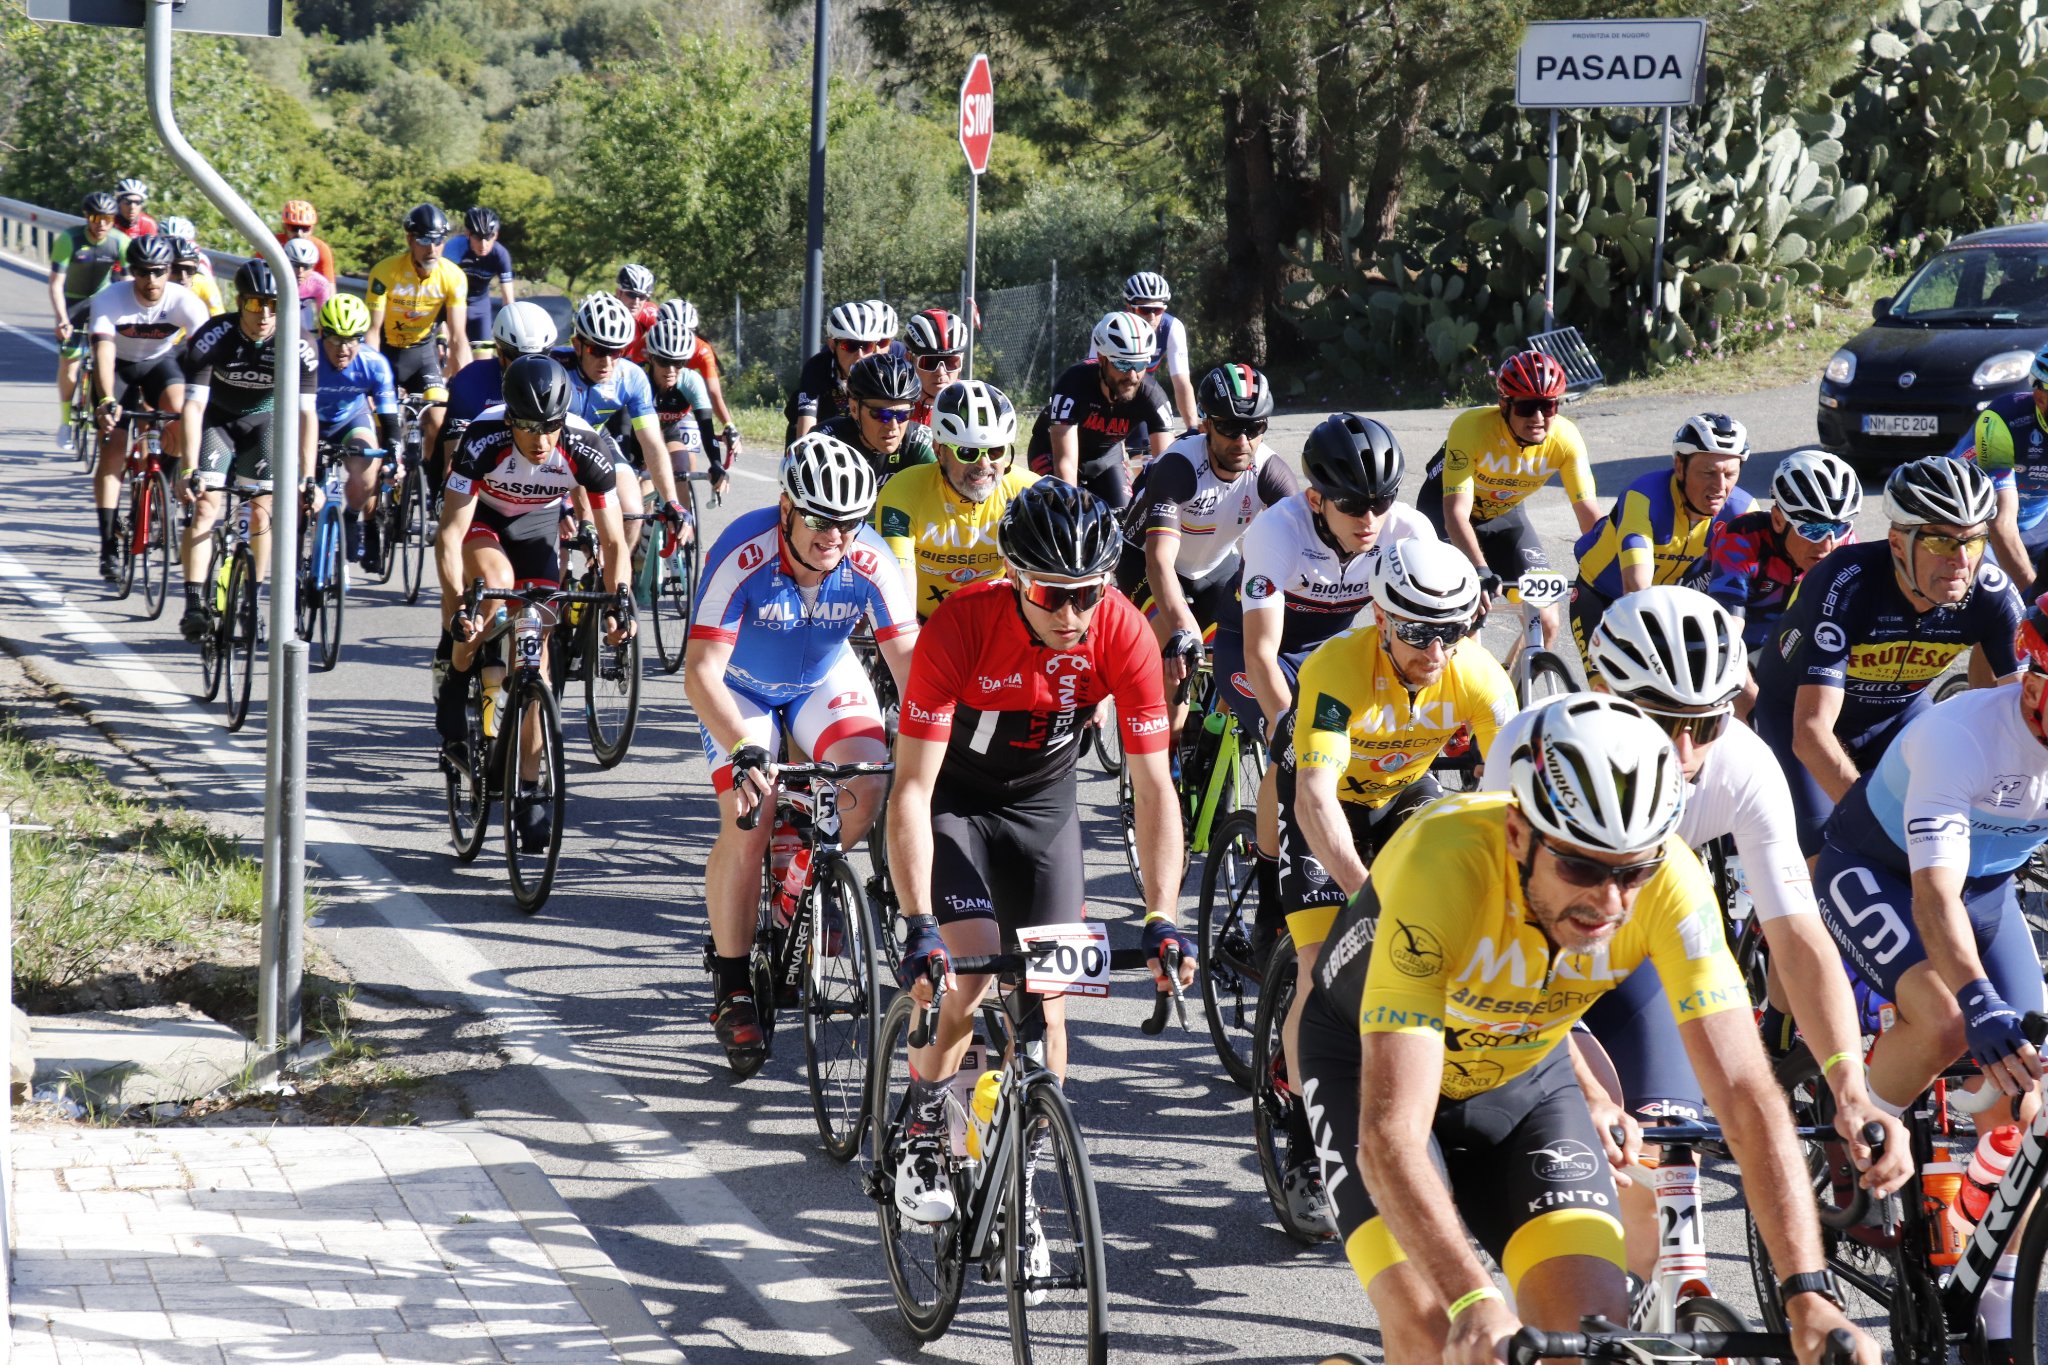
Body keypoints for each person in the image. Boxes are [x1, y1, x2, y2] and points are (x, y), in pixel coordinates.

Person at [1297, 694, 1876, 1365]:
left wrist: (1808, 1293)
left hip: (1524, 1080)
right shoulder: (1444, 861)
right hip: (1367, 1071)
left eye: (1633, 871)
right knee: (1433, 1329)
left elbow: (1748, 1095)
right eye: (1581, 866)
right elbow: (1391, 1135)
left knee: (1588, 1335)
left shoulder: (1673, 886)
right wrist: (1473, 1300)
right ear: (1518, 833)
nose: (1609, 902)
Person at [1484, 587, 1910, 1281]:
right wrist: (1584, 1086)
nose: (1684, 751)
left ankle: (1659, 1314)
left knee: (1663, 1170)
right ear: (1600, 692)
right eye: (1660, 721)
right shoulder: (1532, 749)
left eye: (1705, 724)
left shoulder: (1741, 765)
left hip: (1640, 959)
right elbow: (1498, 946)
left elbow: (1799, 935)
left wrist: (1850, 1081)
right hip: (1529, 969)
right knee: (1575, 1170)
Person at [887, 479, 1193, 1225]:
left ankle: (1015, 1169)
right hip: (956, 802)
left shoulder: (1119, 630)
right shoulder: (960, 626)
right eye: (1052, 595)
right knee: (972, 977)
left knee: (1048, 1009)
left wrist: (1162, 914)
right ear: (1016, 579)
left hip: (1043, 811)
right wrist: (919, 920)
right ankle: (923, 1123)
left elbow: (1154, 787)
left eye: (1086, 593)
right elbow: (909, 789)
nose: (1072, 614)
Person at [1274, 539, 1508, 1235]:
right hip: (1331, 805)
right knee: (1323, 974)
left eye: (1452, 630)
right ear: (1380, 618)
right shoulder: (1337, 666)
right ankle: (1305, 1142)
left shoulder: (1479, 673)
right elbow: (1314, 796)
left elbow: (1512, 792)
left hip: (1405, 792)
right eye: (1415, 631)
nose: (1435, 650)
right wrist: (1365, 893)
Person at [684, 433, 918, 1071]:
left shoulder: (868, 559)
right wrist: (740, 748)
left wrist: (935, 743)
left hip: (821, 680)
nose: (832, 537)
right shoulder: (745, 550)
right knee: (750, 815)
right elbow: (700, 669)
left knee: (866, 782)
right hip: (741, 688)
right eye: (818, 520)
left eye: (846, 523)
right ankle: (732, 981)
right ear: (786, 507)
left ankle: (805, 879)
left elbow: (912, 667)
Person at [1816, 595, 2048, 1142]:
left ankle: (1987, 1220)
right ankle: (1863, 1142)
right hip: (1878, 870)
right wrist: (1977, 1000)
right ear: (2035, 687)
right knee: (1948, 1023)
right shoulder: (1963, 736)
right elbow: (1934, 898)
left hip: (1984, 892)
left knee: (2024, 1089)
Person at [1218, 414, 1436, 944]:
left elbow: (1438, 625)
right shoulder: (1278, 529)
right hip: (1256, 646)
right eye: (1353, 505)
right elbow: (1261, 652)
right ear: (1316, 499)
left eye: (1381, 502)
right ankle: (1270, 897)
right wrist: (1283, 725)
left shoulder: (1407, 531)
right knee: (1287, 755)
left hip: (1331, 650)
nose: (1370, 518)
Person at [1753, 456, 2022, 856]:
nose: (1961, 561)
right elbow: (1811, 733)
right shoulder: (1845, 580)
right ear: (1897, 542)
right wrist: (1873, 824)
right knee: (1829, 857)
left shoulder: (1990, 593)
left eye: (1973, 541)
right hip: (1799, 717)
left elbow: (2023, 713)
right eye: (1940, 541)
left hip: (1898, 715)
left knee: (1940, 845)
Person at [436, 356, 634, 848]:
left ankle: (529, 786)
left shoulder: (587, 446)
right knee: (494, 591)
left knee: (537, 656)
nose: (541, 439)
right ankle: (457, 675)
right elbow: (449, 534)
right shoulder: (483, 439)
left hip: (537, 530)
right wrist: (457, 607)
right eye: (528, 427)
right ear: (510, 420)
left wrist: (619, 602)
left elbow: (613, 544)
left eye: (550, 426)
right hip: (483, 523)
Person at [1115, 363, 1298, 733]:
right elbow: (1160, 561)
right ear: (1206, 424)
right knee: (1178, 667)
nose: (1242, 441)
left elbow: (1301, 549)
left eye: (1254, 428)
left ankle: (1212, 741)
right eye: (1229, 427)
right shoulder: (1179, 466)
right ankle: (1164, 769)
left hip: (1213, 566)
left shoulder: (1269, 472)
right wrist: (1183, 628)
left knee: (1243, 657)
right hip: (1145, 563)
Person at [174, 260, 318, 642]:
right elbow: (193, 408)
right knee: (205, 506)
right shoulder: (214, 336)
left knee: (261, 512)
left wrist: (308, 478)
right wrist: (189, 468)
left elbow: (306, 417)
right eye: (255, 305)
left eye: (274, 304)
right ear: (240, 302)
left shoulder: (298, 343)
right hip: (217, 421)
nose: (265, 315)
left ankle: (251, 599)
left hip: (264, 422)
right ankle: (193, 603)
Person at [1418, 350, 1599, 650]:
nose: (1539, 418)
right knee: (1468, 622)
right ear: (1504, 405)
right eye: (1527, 407)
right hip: (1445, 515)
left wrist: (1610, 566)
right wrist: (1479, 568)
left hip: (1504, 517)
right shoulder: (1471, 428)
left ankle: (1512, 689)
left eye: (1548, 406)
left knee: (1547, 622)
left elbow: (1589, 515)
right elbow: (1455, 514)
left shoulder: (1566, 439)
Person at [1572, 413, 1756, 667]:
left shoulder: (1743, 511)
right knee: (1617, 693)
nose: (1720, 486)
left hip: (1673, 608)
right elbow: (1636, 586)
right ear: (1680, 467)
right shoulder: (1646, 497)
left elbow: (1739, 592)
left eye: (1730, 474)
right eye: (1708, 473)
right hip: (1603, 599)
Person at [1701, 449, 1862, 712]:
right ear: (1778, 519)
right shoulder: (1742, 538)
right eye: (1813, 529)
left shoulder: (1842, 543)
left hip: (1781, 639)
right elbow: (1726, 636)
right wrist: (1757, 713)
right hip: (1717, 635)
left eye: (1839, 527)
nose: (1828, 543)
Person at [87, 233, 208, 581]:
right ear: (132, 272)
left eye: (157, 271)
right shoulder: (111, 299)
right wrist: (107, 399)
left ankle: (162, 475)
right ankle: (109, 542)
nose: (150, 280)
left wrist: (204, 402)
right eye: (142, 272)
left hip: (159, 364)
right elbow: (104, 353)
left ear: (169, 270)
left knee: (182, 416)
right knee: (112, 447)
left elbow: (205, 355)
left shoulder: (184, 301)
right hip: (119, 370)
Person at [875, 380, 1037, 618]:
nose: (983, 465)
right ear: (939, 450)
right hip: (922, 621)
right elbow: (899, 584)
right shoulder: (903, 491)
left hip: (998, 623)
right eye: (967, 452)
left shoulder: (1030, 492)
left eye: (995, 451)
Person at [550, 294, 685, 557]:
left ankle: (606, 586)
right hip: (551, 448)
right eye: (597, 351)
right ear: (577, 345)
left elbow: (652, 442)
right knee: (560, 528)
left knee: (632, 514)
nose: (608, 361)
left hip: (597, 442)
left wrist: (671, 501)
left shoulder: (630, 377)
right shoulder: (554, 368)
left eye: (616, 352)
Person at [1025, 311, 1175, 509]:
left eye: (1139, 363)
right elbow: (1066, 465)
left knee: (1122, 517)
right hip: (1052, 452)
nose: (1132, 375)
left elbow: (1166, 470)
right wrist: (1071, 508)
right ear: (1102, 358)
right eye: (1122, 363)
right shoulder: (1073, 383)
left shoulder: (1152, 396)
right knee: (1058, 512)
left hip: (1105, 459)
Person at [365, 204, 471, 479]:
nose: (432, 248)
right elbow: (373, 331)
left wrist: (470, 383)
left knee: (437, 417)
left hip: (422, 357)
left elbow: (459, 336)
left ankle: (429, 482)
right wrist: (369, 381)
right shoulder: (385, 272)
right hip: (387, 356)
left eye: (438, 240)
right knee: (380, 428)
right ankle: (372, 514)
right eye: (424, 240)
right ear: (410, 239)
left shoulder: (453, 277)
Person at [309, 295, 403, 566]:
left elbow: (389, 419)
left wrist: (393, 457)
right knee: (303, 497)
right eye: (336, 339)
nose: (344, 348)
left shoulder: (374, 363)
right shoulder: (308, 358)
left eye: (353, 339)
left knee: (367, 462)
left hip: (350, 421)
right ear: (322, 334)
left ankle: (351, 518)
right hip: (309, 425)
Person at [1953, 342, 2048, 594]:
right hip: (1974, 524)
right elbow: (2000, 524)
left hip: (2038, 524)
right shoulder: (2005, 420)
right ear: (2040, 396)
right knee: (1995, 600)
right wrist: (2033, 601)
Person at [48, 191, 129, 451]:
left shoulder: (120, 241)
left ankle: (99, 402)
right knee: (70, 362)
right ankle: (64, 421)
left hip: (103, 301)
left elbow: (127, 283)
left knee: (106, 356)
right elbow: (56, 283)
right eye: (96, 218)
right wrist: (62, 319)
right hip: (72, 303)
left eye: (108, 218)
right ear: (87, 217)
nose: (101, 224)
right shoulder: (69, 239)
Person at [1083, 272, 1198, 430]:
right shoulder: (1107, 330)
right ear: (1129, 307)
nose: (1151, 317)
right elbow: (1095, 379)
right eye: (1145, 310)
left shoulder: (1173, 328)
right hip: (1112, 394)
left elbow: (1181, 383)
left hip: (1142, 392)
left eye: (1157, 310)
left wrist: (1192, 428)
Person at [785, 299, 901, 443]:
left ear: (876, 346)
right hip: (823, 422)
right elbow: (806, 422)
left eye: (867, 346)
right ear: (833, 345)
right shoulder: (817, 367)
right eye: (850, 346)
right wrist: (803, 454)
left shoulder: (887, 365)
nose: (859, 355)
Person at [817, 353, 935, 486]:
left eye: (903, 415)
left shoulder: (918, 441)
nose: (893, 425)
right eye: (881, 415)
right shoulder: (825, 440)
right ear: (854, 409)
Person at [640, 315, 724, 501]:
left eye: (678, 363)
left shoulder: (691, 381)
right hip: (637, 437)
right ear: (651, 358)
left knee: (681, 472)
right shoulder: (639, 378)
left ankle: (682, 526)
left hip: (668, 431)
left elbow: (707, 429)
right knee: (645, 474)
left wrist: (716, 463)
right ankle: (643, 525)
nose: (671, 370)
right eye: (663, 361)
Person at [654, 299, 741, 467]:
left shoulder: (701, 350)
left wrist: (729, 424)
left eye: (689, 332)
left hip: (681, 406)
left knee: (687, 464)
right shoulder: (645, 346)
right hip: (652, 402)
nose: (680, 338)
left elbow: (714, 394)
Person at [443, 207, 516, 348]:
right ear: (467, 234)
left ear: (495, 235)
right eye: (477, 237)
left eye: (488, 237)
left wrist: (513, 332)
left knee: (483, 362)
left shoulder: (500, 255)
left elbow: (508, 300)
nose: (483, 245)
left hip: (480, 308)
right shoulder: (453, 248)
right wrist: (442, 330)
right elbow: (440, 288)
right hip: (452, 306)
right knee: (453, 357)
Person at [902, 307, 967, 427]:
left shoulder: (970, 404)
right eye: (929, 362)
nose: (941, 372)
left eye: (951, 362)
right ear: (909, 359)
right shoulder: (896, 407)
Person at [275, 200, 337, 285]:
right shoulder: (273, 244)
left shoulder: (321, 249)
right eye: (294, 228)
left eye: (305, 228)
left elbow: (328, 288)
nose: (299, 233)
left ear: (312, 228)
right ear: (284, 227)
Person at [614, 263, 660, 362]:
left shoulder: (648, 313)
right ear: (618, 292)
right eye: (631, 294)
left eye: (642, 297)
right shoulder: (604, 310)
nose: (636, 302)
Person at [284, 235, 331, 331]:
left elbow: (324, 321)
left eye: (306, 266)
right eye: (295, 265)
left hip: (303, 329)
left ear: (313, 266)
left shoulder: (320, 284)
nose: (301, 271)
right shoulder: (272, 278)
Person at [168, 237, 223, 317]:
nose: (183, 277)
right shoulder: (152, 285)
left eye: (189, 270)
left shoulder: (204, 284)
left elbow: (219, 319)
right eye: (176, 269)